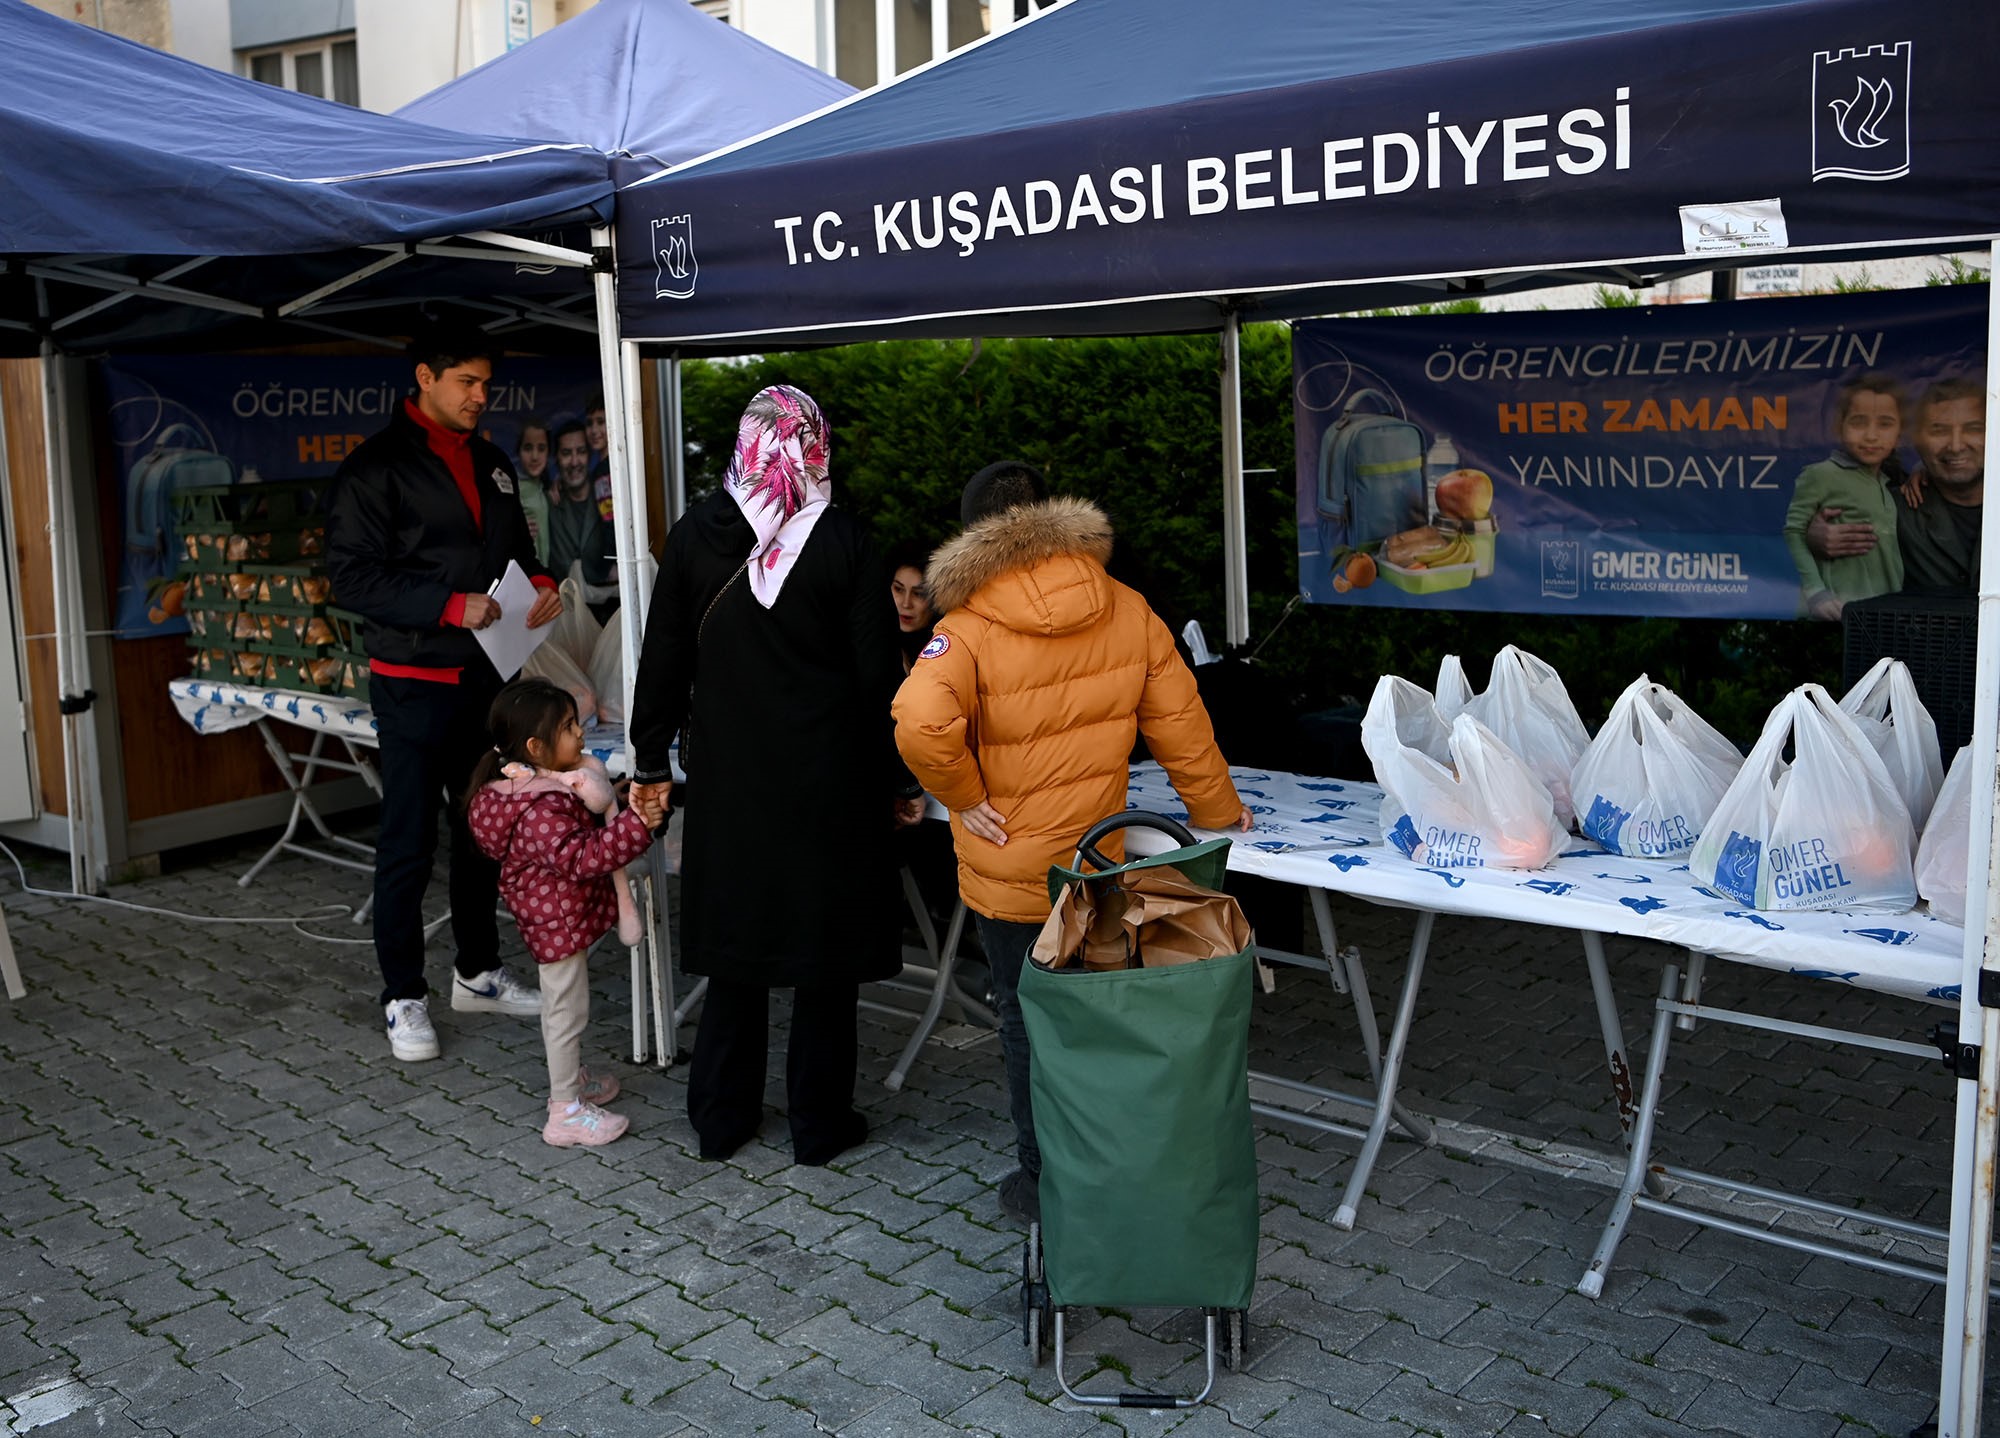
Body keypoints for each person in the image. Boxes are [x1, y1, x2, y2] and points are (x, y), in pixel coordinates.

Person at [891, 461, 1252, 1225]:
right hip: (1098, 861)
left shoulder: (964, 628)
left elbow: (919, 721)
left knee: (1025, 1017)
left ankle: (1041, 1181)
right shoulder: (1124, 605)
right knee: (1101, 1016)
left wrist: (964, 796)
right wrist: (1217, 807)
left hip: (1011, 866)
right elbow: (1182, 719)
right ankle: (1113, 1165)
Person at [628, 385, 916, 1166]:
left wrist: (648, 757)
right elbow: (874, 681)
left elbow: (661, 661)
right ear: (815, 444)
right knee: (824, 959)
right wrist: (899, 779)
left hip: (731, 779)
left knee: (737, 950)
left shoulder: (693, 538)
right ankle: (819, 1127)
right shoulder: (850, 541)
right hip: (829, 781)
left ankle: (721, 1121)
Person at [327, 323, 563, 1062]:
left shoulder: (493, 462)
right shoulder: (375, 468)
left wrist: (544, 586)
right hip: (411, 684)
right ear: (425, 376)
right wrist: (446, 603)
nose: (480, 396)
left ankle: (477, 972)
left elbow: (519, 553)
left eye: (486, 383)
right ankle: (403, 995)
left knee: (480, 830)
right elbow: (352, 578)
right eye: (467, 381)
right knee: (407, 841)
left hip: (487, 681)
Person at [466, 679, 665, 1146]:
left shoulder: (530, 788)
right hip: (556, 924)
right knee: (566, 1012)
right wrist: (637, 825)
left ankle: (571, 1082)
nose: (580, 734)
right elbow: (584, 856)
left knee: (567, 1009)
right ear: (537, 746)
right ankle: (565, 1112)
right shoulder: (539, 807)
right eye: (570, 727)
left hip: (555, 917)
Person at [1804, 374, 1986, 596]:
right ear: (1916, 440)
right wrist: (1814, 539)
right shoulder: (1892, 509)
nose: (1956, 446)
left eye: (1973, 428)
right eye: (1939, 430)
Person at [1781, 371, 1906, 620]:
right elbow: (1793, 532)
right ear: (1840, 426)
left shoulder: (1891, 483)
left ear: (1899, 431)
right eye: (1859, 422)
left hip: (1884, 616)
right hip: (1836, 615)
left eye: (1885, 423)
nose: (1871, 435)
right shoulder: (1821, 474)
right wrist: (1816, 593)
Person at [545, 416, 611, 590]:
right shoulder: (548, 504)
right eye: (566, 453)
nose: (574, 462)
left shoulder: (609, 496)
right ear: (556, 459)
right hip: (566, 612)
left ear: (590, 456)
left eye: (581, 451)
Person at [887, 542, 938, 672]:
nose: (906, 603)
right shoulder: (869, 645)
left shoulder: (948, 650)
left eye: (918, 594)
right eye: (898, 589)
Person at [515, 415, 553, 567]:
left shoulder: (544, 488)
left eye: (541, 448)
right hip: (526, 574)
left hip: (545, 573)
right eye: (528, 448)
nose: (535, 456)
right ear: (518, 451)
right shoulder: (513, 490)